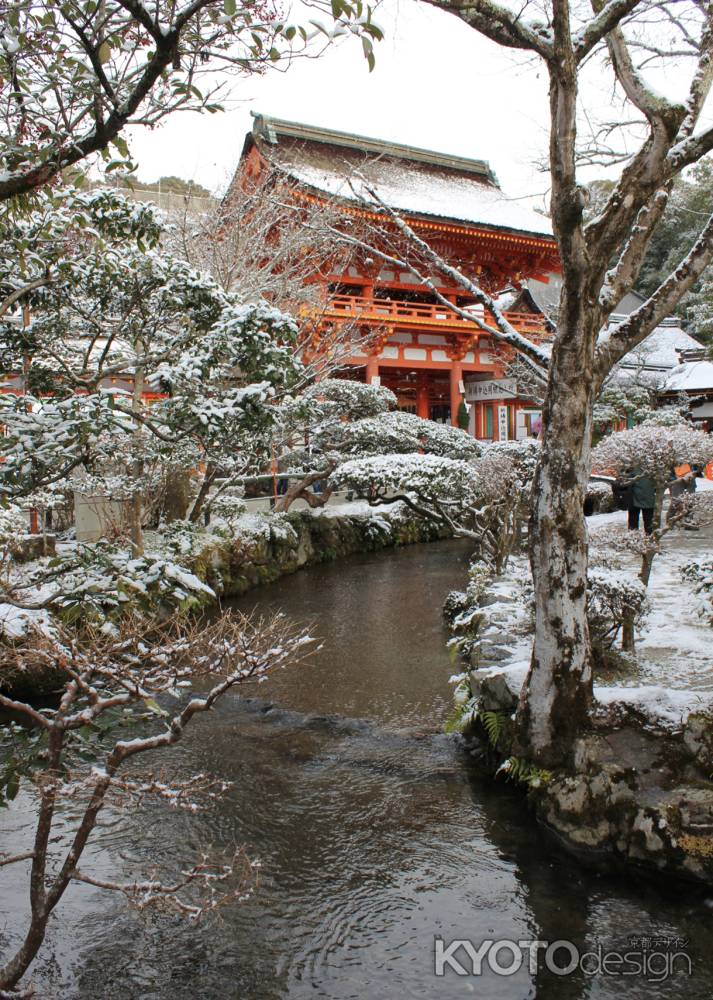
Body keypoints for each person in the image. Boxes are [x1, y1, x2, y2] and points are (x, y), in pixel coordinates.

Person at [626, 467, 656, 535]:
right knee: (649, 522)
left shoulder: (632, 466)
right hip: (649, 497)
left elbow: (626, 480)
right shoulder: (653, 466)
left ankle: (633, 539)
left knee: (633, 523)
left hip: (634, 499)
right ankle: (650, 539)